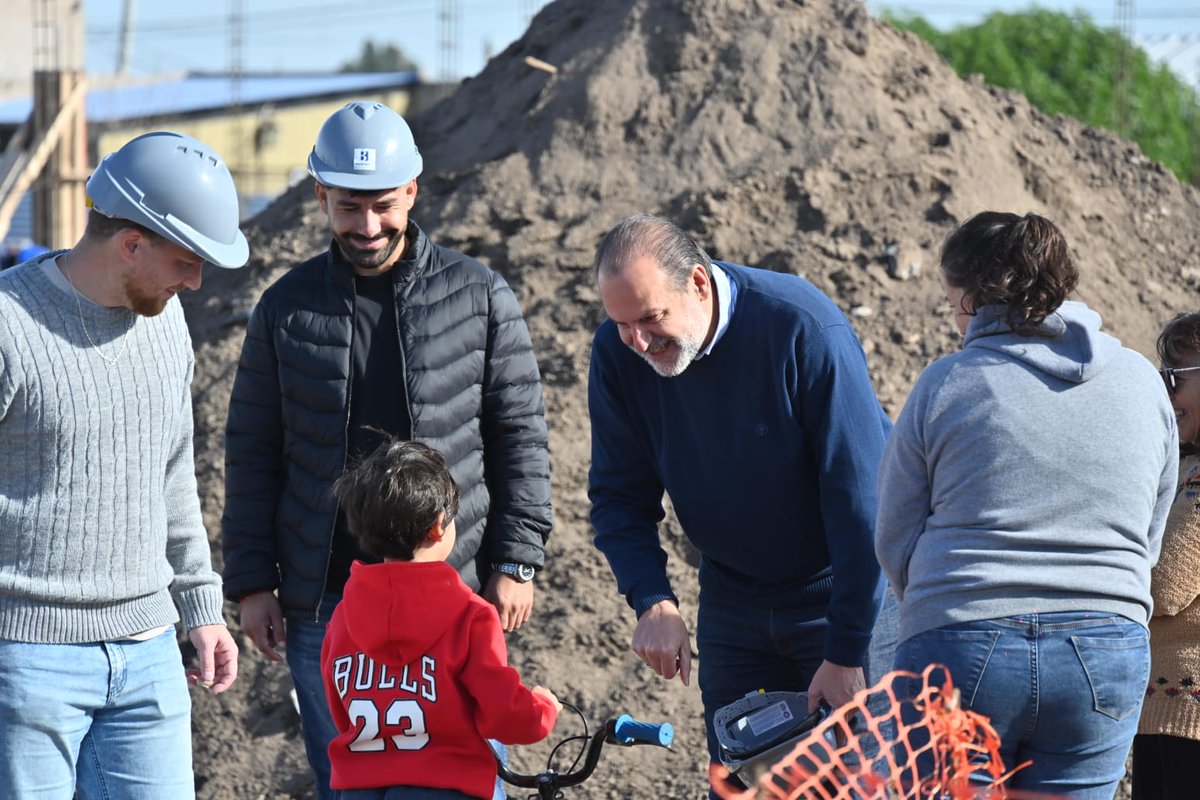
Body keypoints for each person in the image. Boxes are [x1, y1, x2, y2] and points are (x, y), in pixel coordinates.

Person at [221, 100, 552, 799]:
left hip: (453, 591)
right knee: (346, 780)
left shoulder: (479, 295)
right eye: (347, 208)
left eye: (380, 205)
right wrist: (252, 582)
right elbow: (253, 448)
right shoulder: (285, 308)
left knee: (460, 778)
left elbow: (518, 433)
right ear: (321, 198)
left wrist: (517, 559)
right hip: (327, 601)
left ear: (411, 191)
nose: (366, 227)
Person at [876, 211, 1177, 799]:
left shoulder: (948, 383)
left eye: (950, 301)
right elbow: (1150, 534)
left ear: (970, 298)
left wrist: (944, 602)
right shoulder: (1142, 382)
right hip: (1105, 647)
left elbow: (893, 535)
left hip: (961, 641)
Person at [586, 213, 891, 793]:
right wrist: (653, 599)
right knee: (742, 781)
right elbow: (618, 495)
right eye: (622, 324)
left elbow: (863, 504)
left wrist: (848, 649)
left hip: (839, 594)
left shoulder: (801, 327)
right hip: (734, 600)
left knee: (860, 780)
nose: (638, 342)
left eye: (650, 319)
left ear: (698, 284)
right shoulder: (619, 353)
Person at [0, 131, 246, 796]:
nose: (195, 283)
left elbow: (171, 473)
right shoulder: (8, 327)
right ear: (131, 243)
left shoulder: (165, 325)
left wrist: (200, 606)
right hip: (26, 660)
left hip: (149, 654)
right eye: (186, 261)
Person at [322, 437, 560, 800]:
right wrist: (542, 709)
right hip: (449, 787)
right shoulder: (470, 615)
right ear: (438, 526)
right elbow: (503, 714)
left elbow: (339, 703)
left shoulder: (343, 614)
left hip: (361, 787)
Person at [1132, 311, 1200, 800]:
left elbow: (1166, 585)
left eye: (1176, 376)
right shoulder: (1186, 467)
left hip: (1187, 715)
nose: (1165, 391)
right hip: (1169, 709)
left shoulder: (1196, 479)